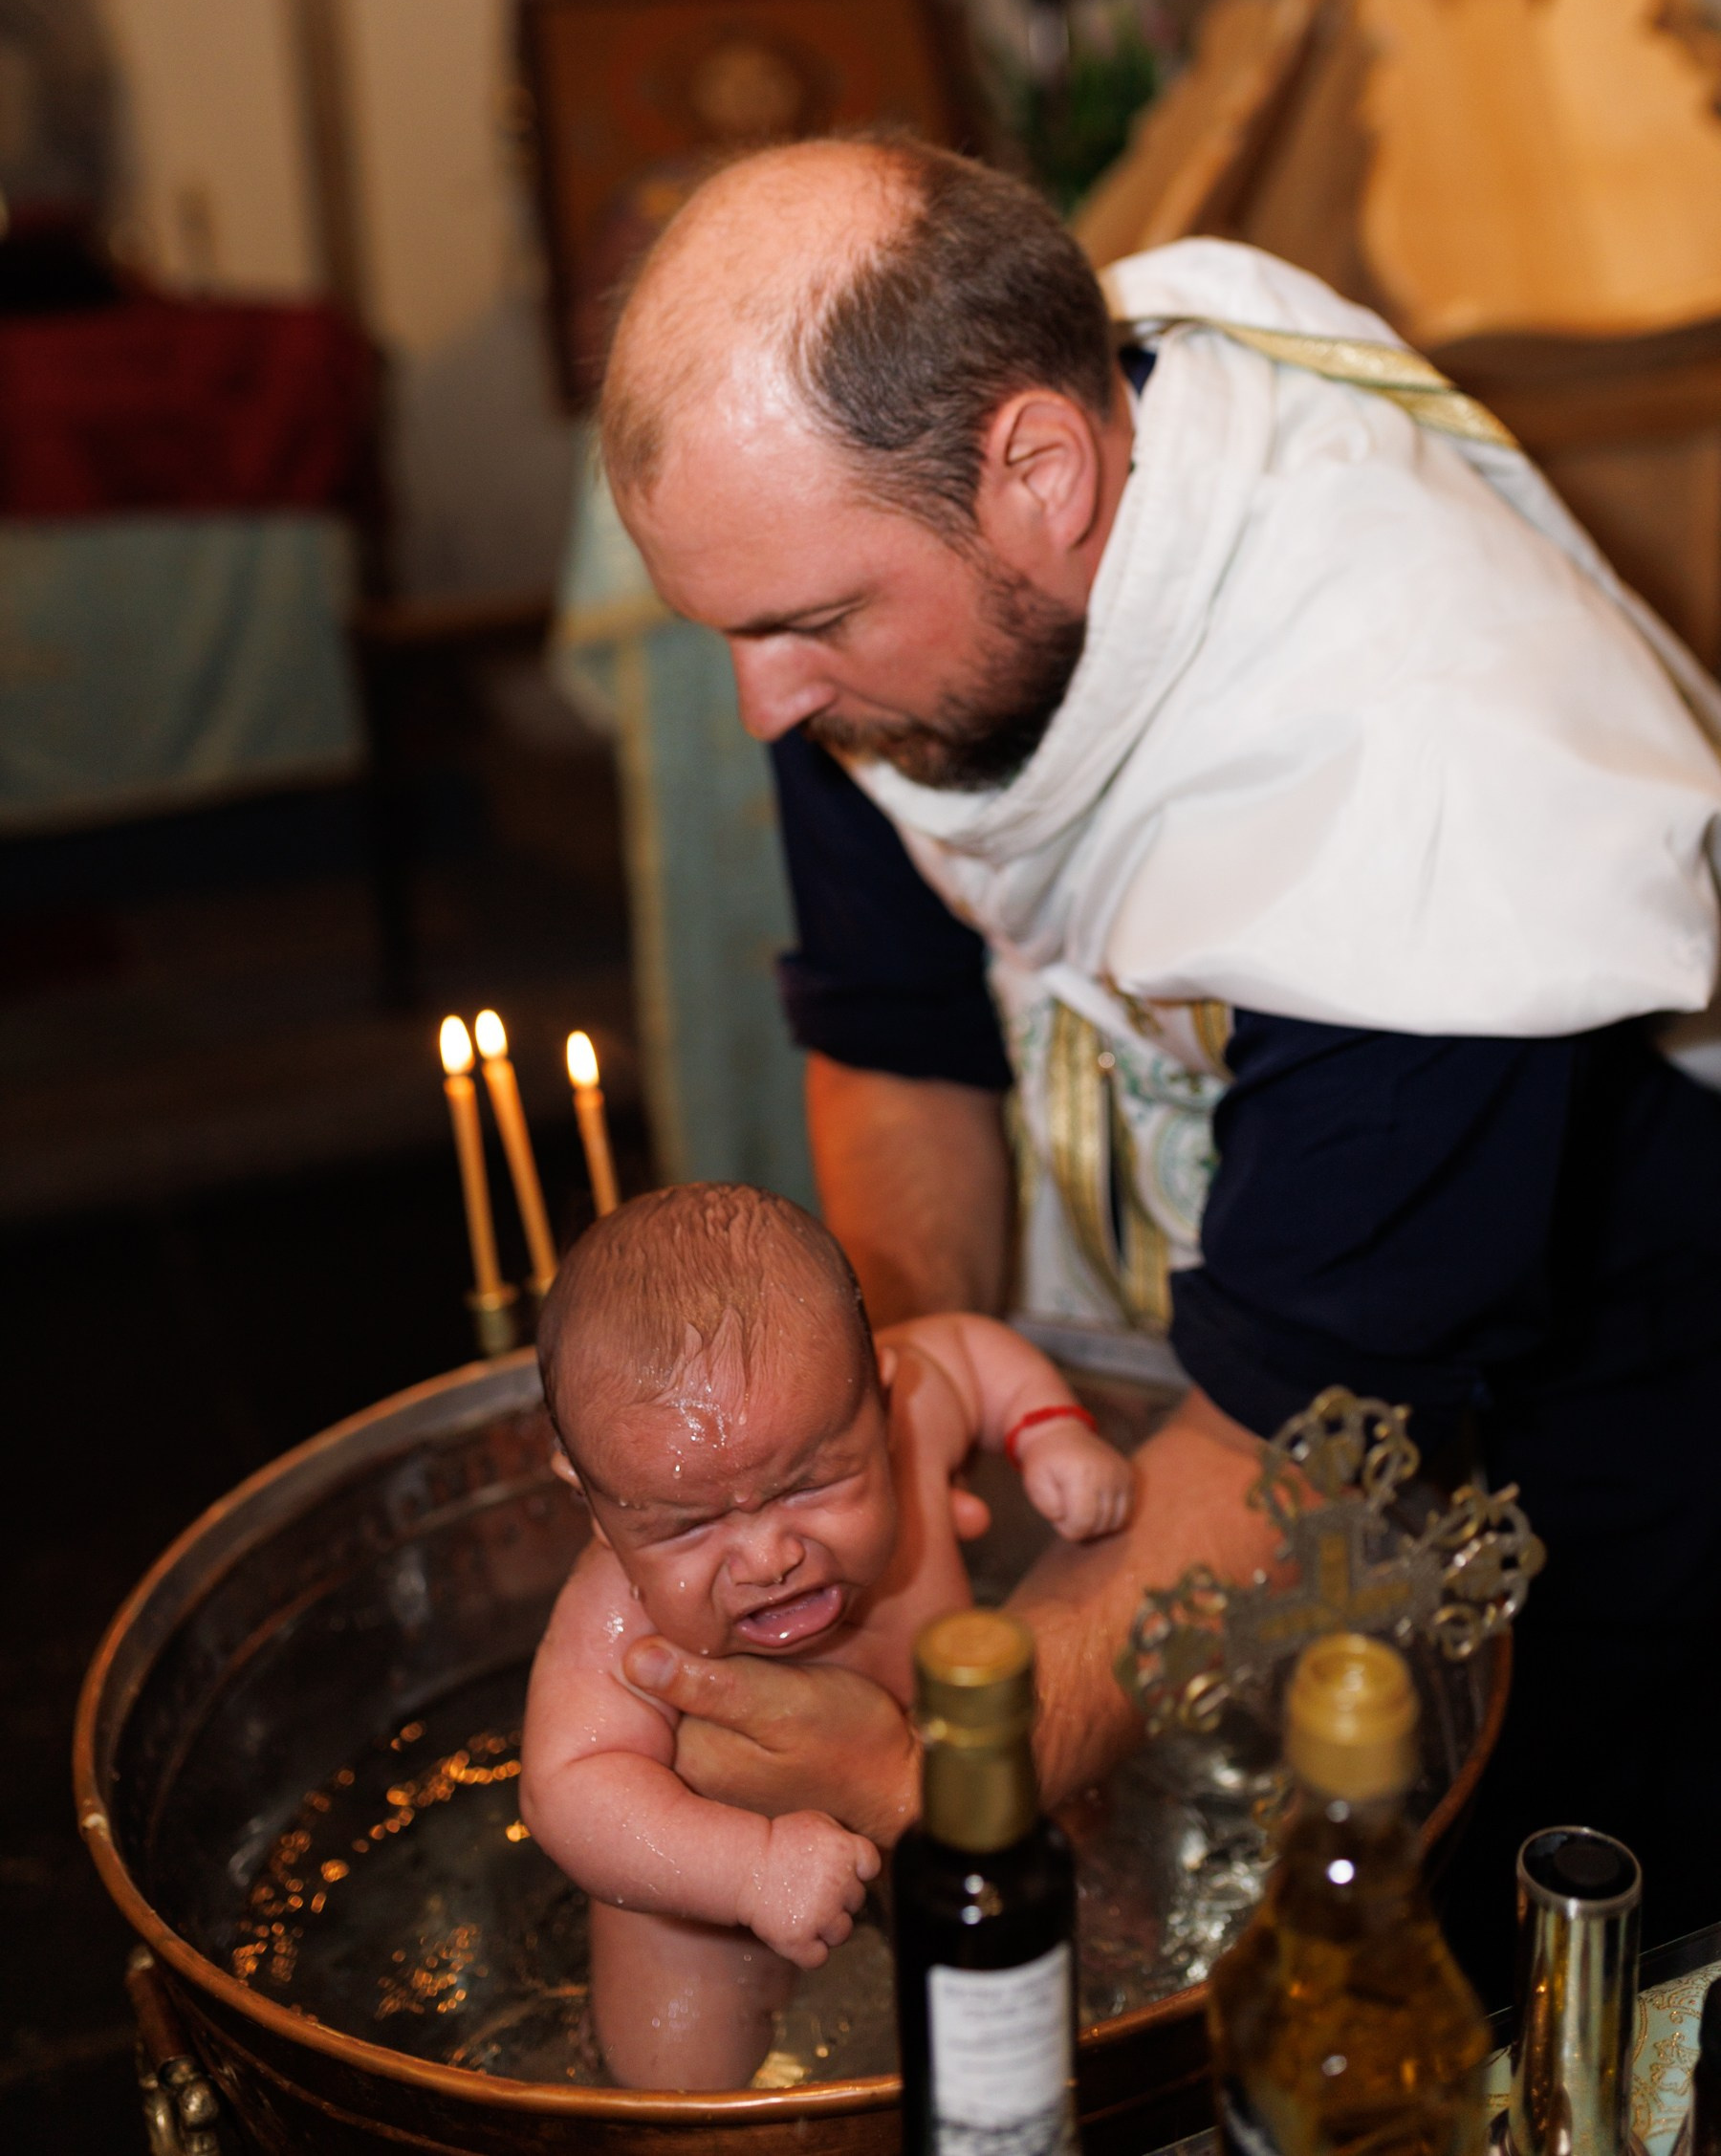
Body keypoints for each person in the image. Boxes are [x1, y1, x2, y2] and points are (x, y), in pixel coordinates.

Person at [593, 136, 1721, 1991]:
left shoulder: (1431, 785)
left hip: (1585, 1427)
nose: (763, 704)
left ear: (1042, 470)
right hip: (1253, 1361)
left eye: (807, 625)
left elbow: (1302, 1432)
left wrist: (954, 1760)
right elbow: (899, 1034)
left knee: (1473, 1968)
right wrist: (886, 1419)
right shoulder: (895, 575)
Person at [520, 1182, 1134, 2086]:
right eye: (688, 1527)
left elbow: (971, 1351)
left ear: (883, 1400)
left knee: (1090, 1908)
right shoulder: (613, 1614)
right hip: (710, 1896)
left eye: (811, 1486)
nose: (769, 1557)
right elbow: (567, 1792)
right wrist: (748, 1870)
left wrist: (1049, 1432)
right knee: (674, 2078)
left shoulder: (911, 1417)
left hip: (935, 1799)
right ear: (594, 1505)